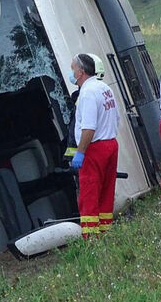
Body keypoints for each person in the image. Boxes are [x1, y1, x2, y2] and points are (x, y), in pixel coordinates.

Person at [69, 53, 119, 239]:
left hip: (94, 148)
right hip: (110, 144)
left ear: (81, 71)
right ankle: (105, 233)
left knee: (89, 193)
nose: (71, 72)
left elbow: (88, 128)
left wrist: (80, 152)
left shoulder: (88, 93)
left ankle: (91, 238)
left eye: (73, 68)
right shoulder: (104, 88)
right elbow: (117, 118)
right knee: (106, 191)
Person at [64, 54, 105, 161]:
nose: (72, 73)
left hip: (87, 152)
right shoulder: (101, 91)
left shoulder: (87, 95)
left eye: (73, 69)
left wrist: (78, 153)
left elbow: (86, 127)